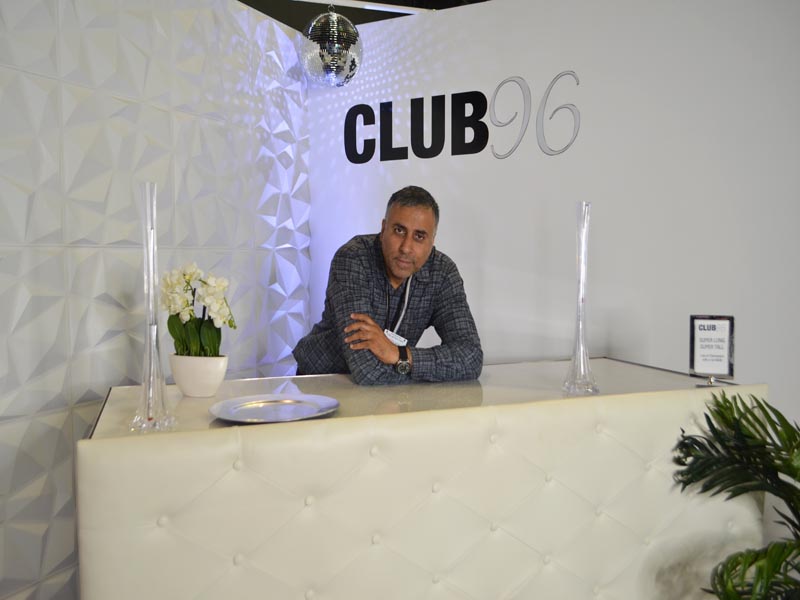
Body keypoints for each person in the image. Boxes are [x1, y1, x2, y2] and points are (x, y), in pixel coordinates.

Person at [293, 185, 483, 385]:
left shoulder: (442, 273)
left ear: (432, 241)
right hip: (321, 383)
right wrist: (420, 367)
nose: (406, 248)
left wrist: (399, 354)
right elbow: (366, 370)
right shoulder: (353, 259)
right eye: (399, 231)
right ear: (383, 228)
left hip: (389, 390)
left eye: (419, 236)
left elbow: (471, 358)